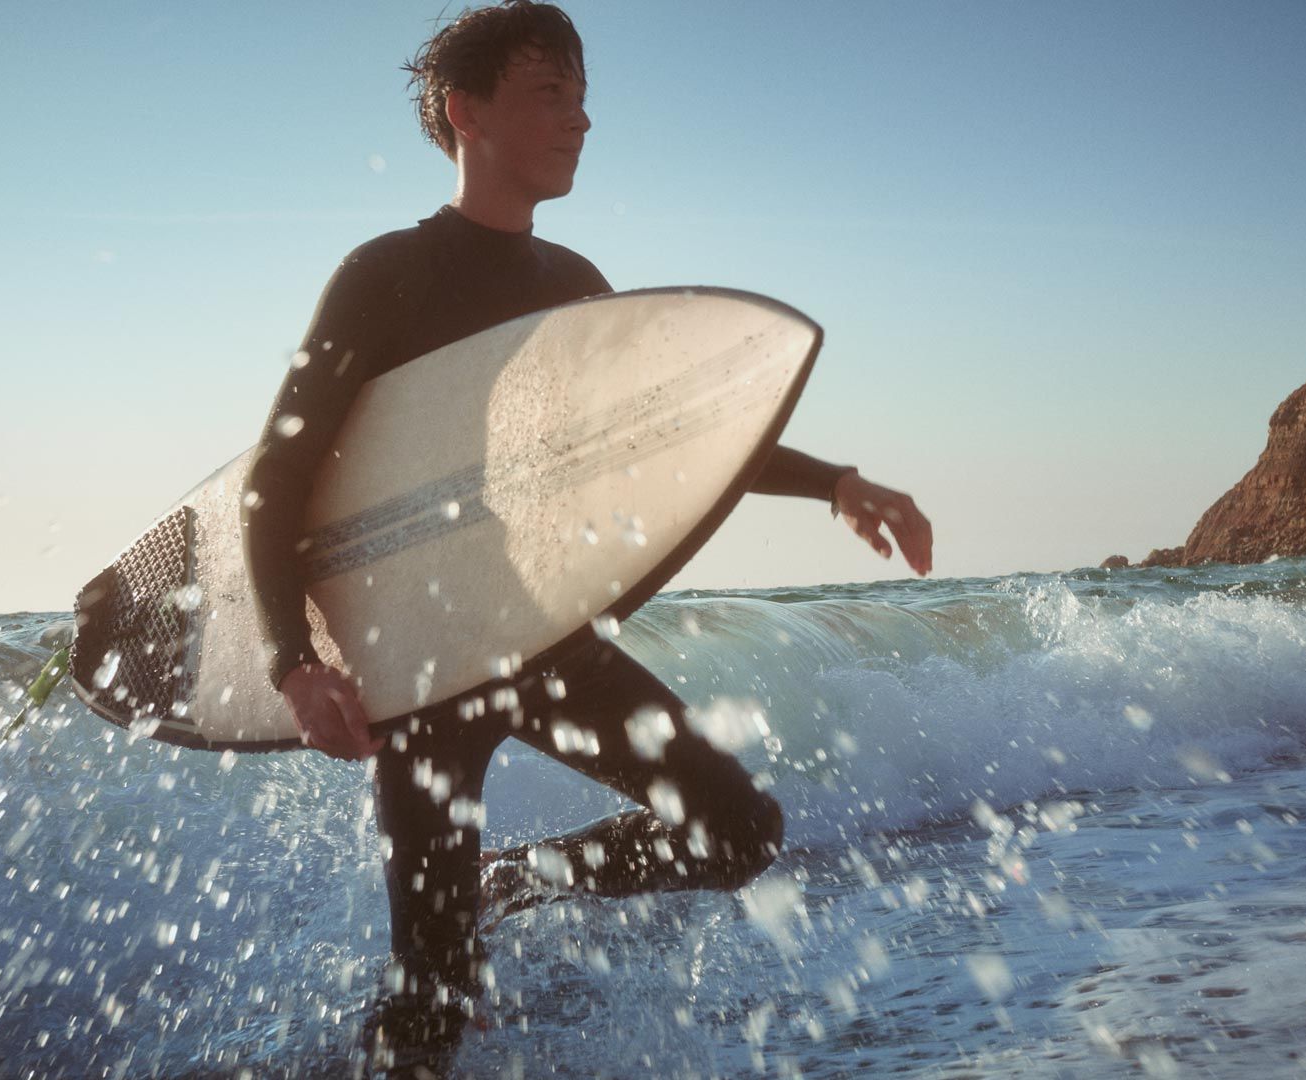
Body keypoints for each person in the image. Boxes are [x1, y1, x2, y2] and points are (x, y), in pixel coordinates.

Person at [241, 3, 933, 1074]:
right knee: (428, 1010)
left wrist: (835, 482)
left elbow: (663, 448)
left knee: (734, 831)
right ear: (465, 113)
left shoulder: (571, 289)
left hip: (540, 643)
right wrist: (293, 660)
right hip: (421, 676)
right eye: (549, 94)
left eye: (582, 95)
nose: (581, 119)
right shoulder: (388, 275)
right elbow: (275, 480)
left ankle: (514, 882)